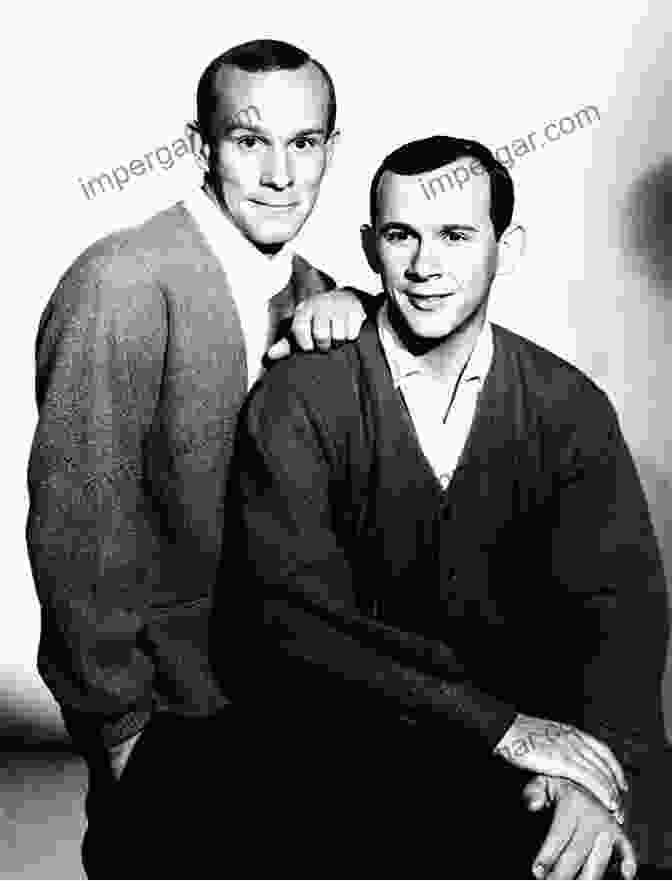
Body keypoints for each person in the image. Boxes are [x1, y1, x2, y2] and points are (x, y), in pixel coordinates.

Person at [222, 136, 671, 878]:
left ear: (508, 246)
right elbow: (289, 621)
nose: (426, 267)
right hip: (344, 773)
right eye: (402, 236)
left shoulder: (569, 407)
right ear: (371, 247)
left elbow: (620, 621)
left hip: (530, 777)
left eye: (457, 236)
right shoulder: (299, 398)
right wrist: (502, 727)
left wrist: (596, 779)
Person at [26, 39, 369, 879]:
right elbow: (75, 524)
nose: (283, 173)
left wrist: (361, 300)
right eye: (251, 140)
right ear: (200, 147)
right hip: (169, 722)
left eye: (306, 143)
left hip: (287, 713)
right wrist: (119, 727)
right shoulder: (123, 282)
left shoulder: (316, 288)